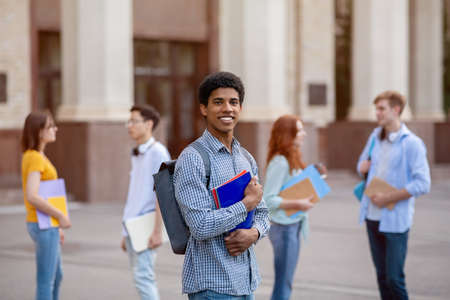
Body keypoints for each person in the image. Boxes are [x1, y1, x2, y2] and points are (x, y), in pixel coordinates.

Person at [173, 71, 270, 299]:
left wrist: (254, 233)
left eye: (233, 102)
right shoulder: (193, 158)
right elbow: (199, 226)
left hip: (246, 282)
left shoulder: (245, 157)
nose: (228, 108)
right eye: (218, 102)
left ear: (240, 109)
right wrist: (246, 204)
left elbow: (264, 213)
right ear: (204, 109)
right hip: (212, 286)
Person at [357, 91, 431, 300]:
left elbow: (423, 183)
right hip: (372, 217)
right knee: (381, 277)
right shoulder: (375, 137)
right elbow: (361, 165)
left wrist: (389, 198)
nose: (377, 113)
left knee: (394, 279)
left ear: (396, 110)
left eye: (381, 108)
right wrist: (362, 167)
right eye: (377, 109)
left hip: (396, 220)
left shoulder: (412, 143)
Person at [262, 115, 316, 300]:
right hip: (283, 229)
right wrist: (298, 203)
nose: (304, 134)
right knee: (283, 283)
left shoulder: (292, 157)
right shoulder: (280, 161)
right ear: (288, 134)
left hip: (293, 225)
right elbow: (268, 200)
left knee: (286, 281)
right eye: (299, 130)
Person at [121, 104, 170, 300]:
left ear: (149, 124)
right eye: (129, 121)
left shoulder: (158, 152)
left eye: (134, 121)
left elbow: (162, 193)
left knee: (143, 277)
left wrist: (157, 231)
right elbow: (134, 194)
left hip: (146, 225)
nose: (129, 125)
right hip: (132, 225)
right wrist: (124, 232)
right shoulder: (138, 153)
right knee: (140, 277)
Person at [21, 111, 71, 300]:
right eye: (50, 126)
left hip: (48, 225)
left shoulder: (38, 156)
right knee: (46, 281)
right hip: (43, 225)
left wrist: (56, 225)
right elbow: (32, 195)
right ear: (39, 131)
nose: (55, 129)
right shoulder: (34, 157)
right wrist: (59, 215)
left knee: (57, 277)